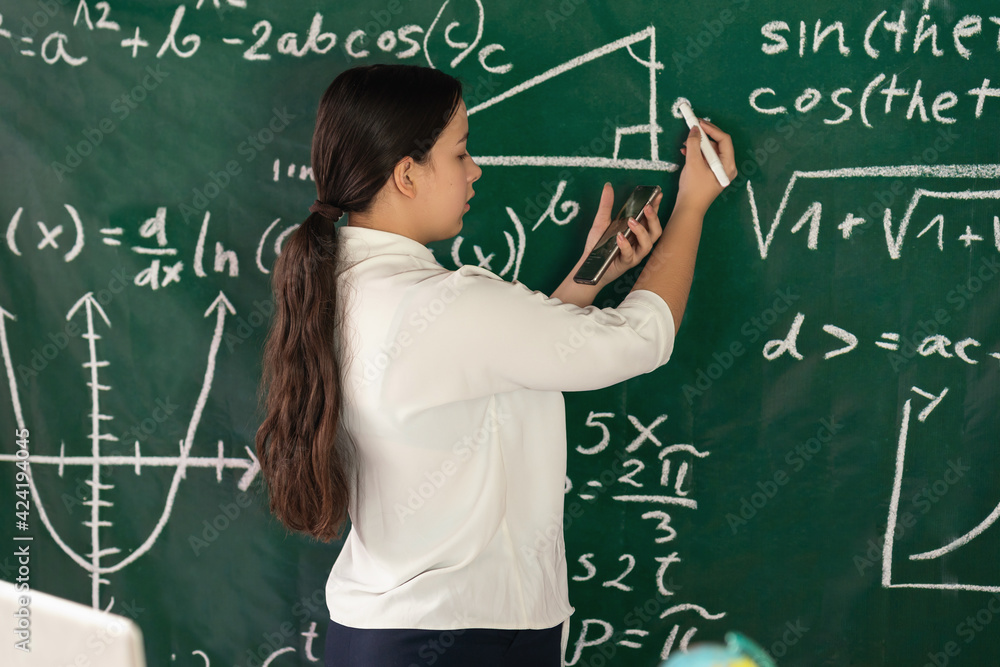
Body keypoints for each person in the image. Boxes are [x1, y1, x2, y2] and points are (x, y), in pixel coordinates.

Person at [254, 63, 736, 667]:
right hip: (465, 639)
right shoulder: (439, 303)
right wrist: (691, 207)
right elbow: (639, 339)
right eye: (460, 153)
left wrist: (588, 277)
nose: (475, 169)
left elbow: (489, 368)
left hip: (381, 636)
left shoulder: (339, 291)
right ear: (407, 173)